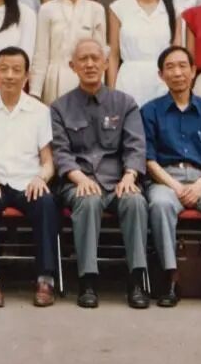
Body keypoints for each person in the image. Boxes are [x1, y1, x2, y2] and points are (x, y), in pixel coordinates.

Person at [51, 39, 150, 309]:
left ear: (106, 64)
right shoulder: (59, 107)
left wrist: (130, 176)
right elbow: (60, 152)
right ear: (72, 66)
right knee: (88, 201)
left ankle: (137, 280)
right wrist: (80, 178)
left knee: (135, 201)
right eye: (82, 59)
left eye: (95, 58)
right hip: (78, 180)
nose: (90, 64)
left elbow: (135, 145)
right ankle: (88, 281)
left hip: (118, 180)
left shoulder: (125, 103)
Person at [141, 46, 201, 309]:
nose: (177, 73)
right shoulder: (150, 111)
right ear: (161, 75)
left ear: (194, 71)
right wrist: (175, 186)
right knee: (160, 204)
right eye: (170, 67)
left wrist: (200, 184)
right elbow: (149, 159)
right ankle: (170, 277)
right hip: (165, 180)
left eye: (183, 66)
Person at [0, 46, 60, 308]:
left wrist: (41, 178)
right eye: (4, 69)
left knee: (47, 203)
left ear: (26, 76)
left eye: (17, 70)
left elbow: (48, 160)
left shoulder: (40, 111)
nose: (10, 75)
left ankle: (45, 279)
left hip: (28, 181)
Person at [30, 0, 107, 104]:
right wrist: (35, 92)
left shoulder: (96, 9)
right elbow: (41, 54)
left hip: (86, 79)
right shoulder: (47, 9)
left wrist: (101, 89)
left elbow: (100, 54)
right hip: (55, 80)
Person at [108, 0, 178, 106]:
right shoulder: (119, 7)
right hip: (129, 81)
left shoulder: (173, 9)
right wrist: (111, 92)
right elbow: (113, 55)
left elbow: (177, 52)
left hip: (163, 82)